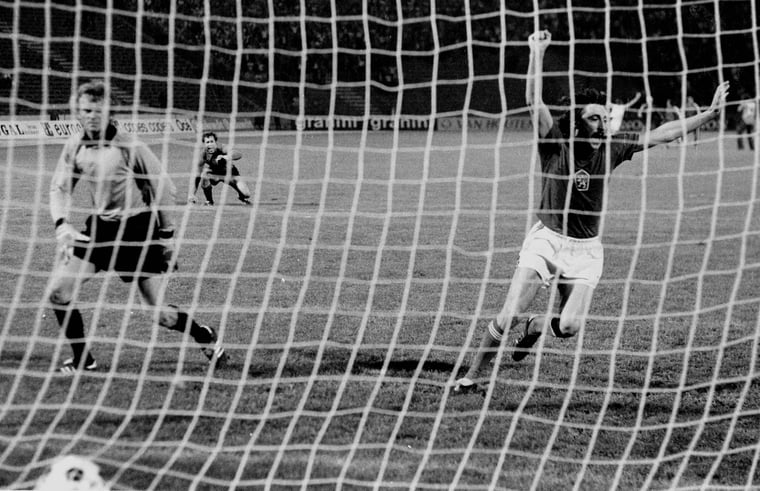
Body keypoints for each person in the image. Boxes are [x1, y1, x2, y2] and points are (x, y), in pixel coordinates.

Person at [454, 30, 730, 394]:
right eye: (595, 119)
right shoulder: (555, 144)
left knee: (568, 327)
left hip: (586, 251)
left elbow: (663, 133)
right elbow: (533, 101)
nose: (603, 124)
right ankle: (472, 377)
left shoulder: (613, 149)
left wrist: (708, 115)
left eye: (604, 118)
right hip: (547, 242)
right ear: (578, 121)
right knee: (508, 314)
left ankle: (537, 328)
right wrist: (536, 52)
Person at [47, 80, 227, 374]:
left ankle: (204, 336)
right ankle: (84, 360)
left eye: (97, 110)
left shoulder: (129, 145)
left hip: (137, 233)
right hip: (101, 229)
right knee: (58, 293)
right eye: (85, 110)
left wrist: (166, 237)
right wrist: (61, 224)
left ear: (109, 111)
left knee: (159, 315)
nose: (91, 116)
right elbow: (59, 188)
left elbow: (165, 188)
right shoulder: (76, 144)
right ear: (77, 112)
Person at [188, 132, 252, 206]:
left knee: (246, 194)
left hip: (230, 174)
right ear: (204, 144)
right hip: (215, 175)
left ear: (215, 142)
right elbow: (197, 175)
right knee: (204, 175)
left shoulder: (222, 147)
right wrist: (192, 194)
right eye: (207, 142)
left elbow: (238, 154)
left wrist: (226, 157)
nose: (210, 144)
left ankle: (242, 197)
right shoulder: (203, 154)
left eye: (212, 141)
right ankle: (209, 201)